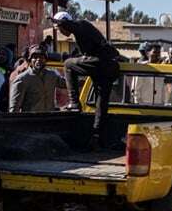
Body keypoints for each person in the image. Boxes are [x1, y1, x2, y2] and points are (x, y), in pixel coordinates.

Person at [52, 11, 122, 147]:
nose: (61, 32)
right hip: (108, 67)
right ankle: (97, 134)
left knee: (68, 65)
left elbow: (71, 25)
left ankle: (74, 103)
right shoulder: (83, 32)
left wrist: (58, 21)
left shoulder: (80, 25)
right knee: (101, 103)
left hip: (101, 62)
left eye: (60, 29)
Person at [9, 45, 64, 113]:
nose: (38, 60)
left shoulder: (52, 76)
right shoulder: (22, 79)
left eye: (41, 57)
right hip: (31, 121)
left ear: (45, 60)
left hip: (49, 120)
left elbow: (68, 84)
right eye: (35, 57)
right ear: (30, 60)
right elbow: (14, 108)